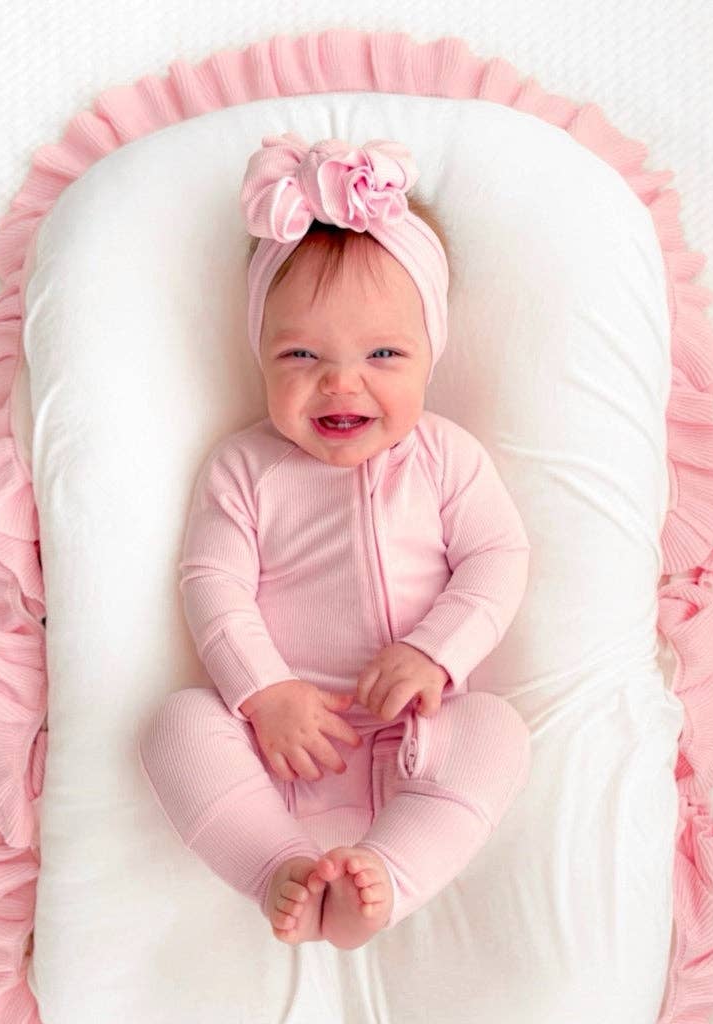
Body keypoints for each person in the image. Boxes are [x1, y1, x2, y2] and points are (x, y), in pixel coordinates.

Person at [138, 133, 532, 951]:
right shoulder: (246, 467)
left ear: (431, 354)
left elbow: (497, 559)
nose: (342, 382)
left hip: (415, 733)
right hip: (278, 740)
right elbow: (212, 583)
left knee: (497, 731)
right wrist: (264, 694)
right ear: (260, 354)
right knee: (176, 727)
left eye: (384, 354)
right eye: (301, 355)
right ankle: (279, 867)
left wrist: (435, 653)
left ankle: (386, 875)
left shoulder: (446, 457)